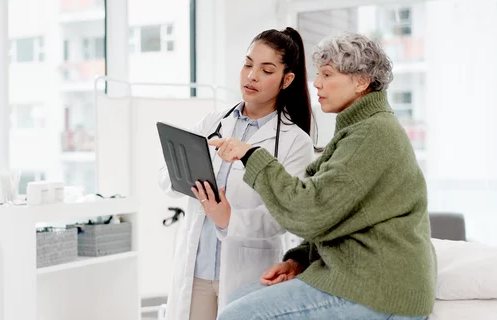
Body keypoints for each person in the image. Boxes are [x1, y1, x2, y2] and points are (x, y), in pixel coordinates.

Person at [210, 32, 437, 320]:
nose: (316, 83)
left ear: (361, 81)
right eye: (318, 74)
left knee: (238, 315)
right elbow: (336, 214)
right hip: (359, 278)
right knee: (239, 298)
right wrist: (300, 259)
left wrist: (251, 156)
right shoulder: (359, 130)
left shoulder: (372, 135)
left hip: (379, 288)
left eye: (327, 74)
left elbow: (310, 212)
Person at [158, 27, 316, 320]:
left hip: (247, 270)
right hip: (195, 270)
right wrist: (189, 160)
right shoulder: (214, 122)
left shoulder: (296, 143)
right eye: (247, 64)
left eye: (266, 70)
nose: (251, 75)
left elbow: (284, 215)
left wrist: (228, 219)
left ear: (287, 79)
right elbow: (165, 179)